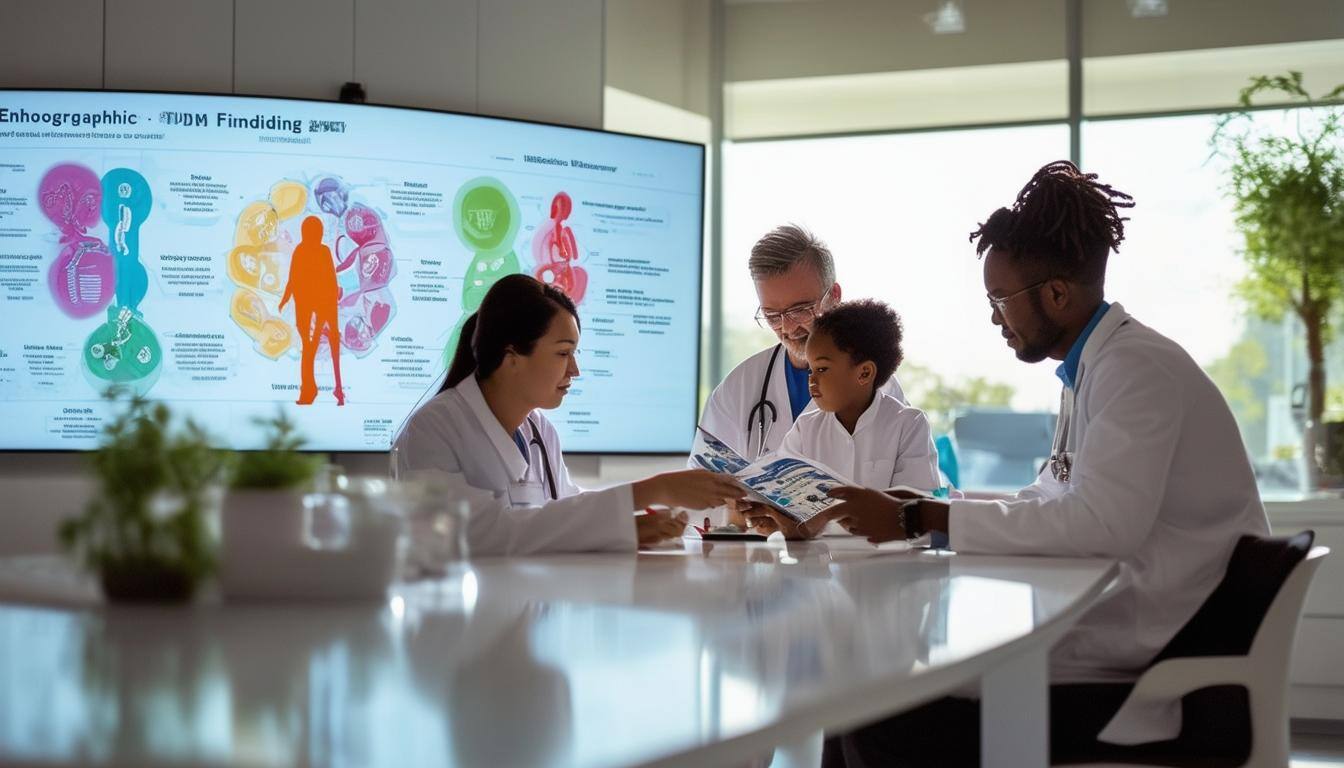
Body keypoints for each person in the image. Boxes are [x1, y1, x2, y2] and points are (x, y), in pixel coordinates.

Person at [810, 161, 1271, 765]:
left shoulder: (1135, 369)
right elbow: (1052, 496)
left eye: (1000, 298)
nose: (993, 316)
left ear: (1056, 293)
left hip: (1159, 666)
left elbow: (1100, 525)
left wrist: (922, 519)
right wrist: (930, 507)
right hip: (1137, 628)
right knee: (864, 689)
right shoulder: (1095, 368)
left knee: (878, 703)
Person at [393, 274, 743, 556]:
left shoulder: (539, 430)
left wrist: (630, 526)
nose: (574, 370)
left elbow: (563, 509)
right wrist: (654, 489)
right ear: (511, 355)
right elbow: (481, 533)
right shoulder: (433, 429)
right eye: (563, 353)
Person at [697, 225, 907, 463]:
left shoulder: (879, 387)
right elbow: (702, 479)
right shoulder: (738, 388)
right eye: (772, 315)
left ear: (835, 296)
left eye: (800, 310)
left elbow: (910, 490)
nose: (787, 328)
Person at [777, 299, 939, 491]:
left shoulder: (908, 424)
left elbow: (916, 507)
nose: (812, 380)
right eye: (811, 370)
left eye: (822, 369)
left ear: (864, 373)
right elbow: (782, 491)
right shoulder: (805, 429)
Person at [279, 216, 344, 405]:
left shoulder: (320, 251)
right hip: (307, 305)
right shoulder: (302, 250)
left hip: (321, 304)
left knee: (313, 346)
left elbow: (331, 281)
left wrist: (331, 314)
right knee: (309, 347)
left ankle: (323, 390)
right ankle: (311, 390)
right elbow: (293, 279)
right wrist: (284, 300)